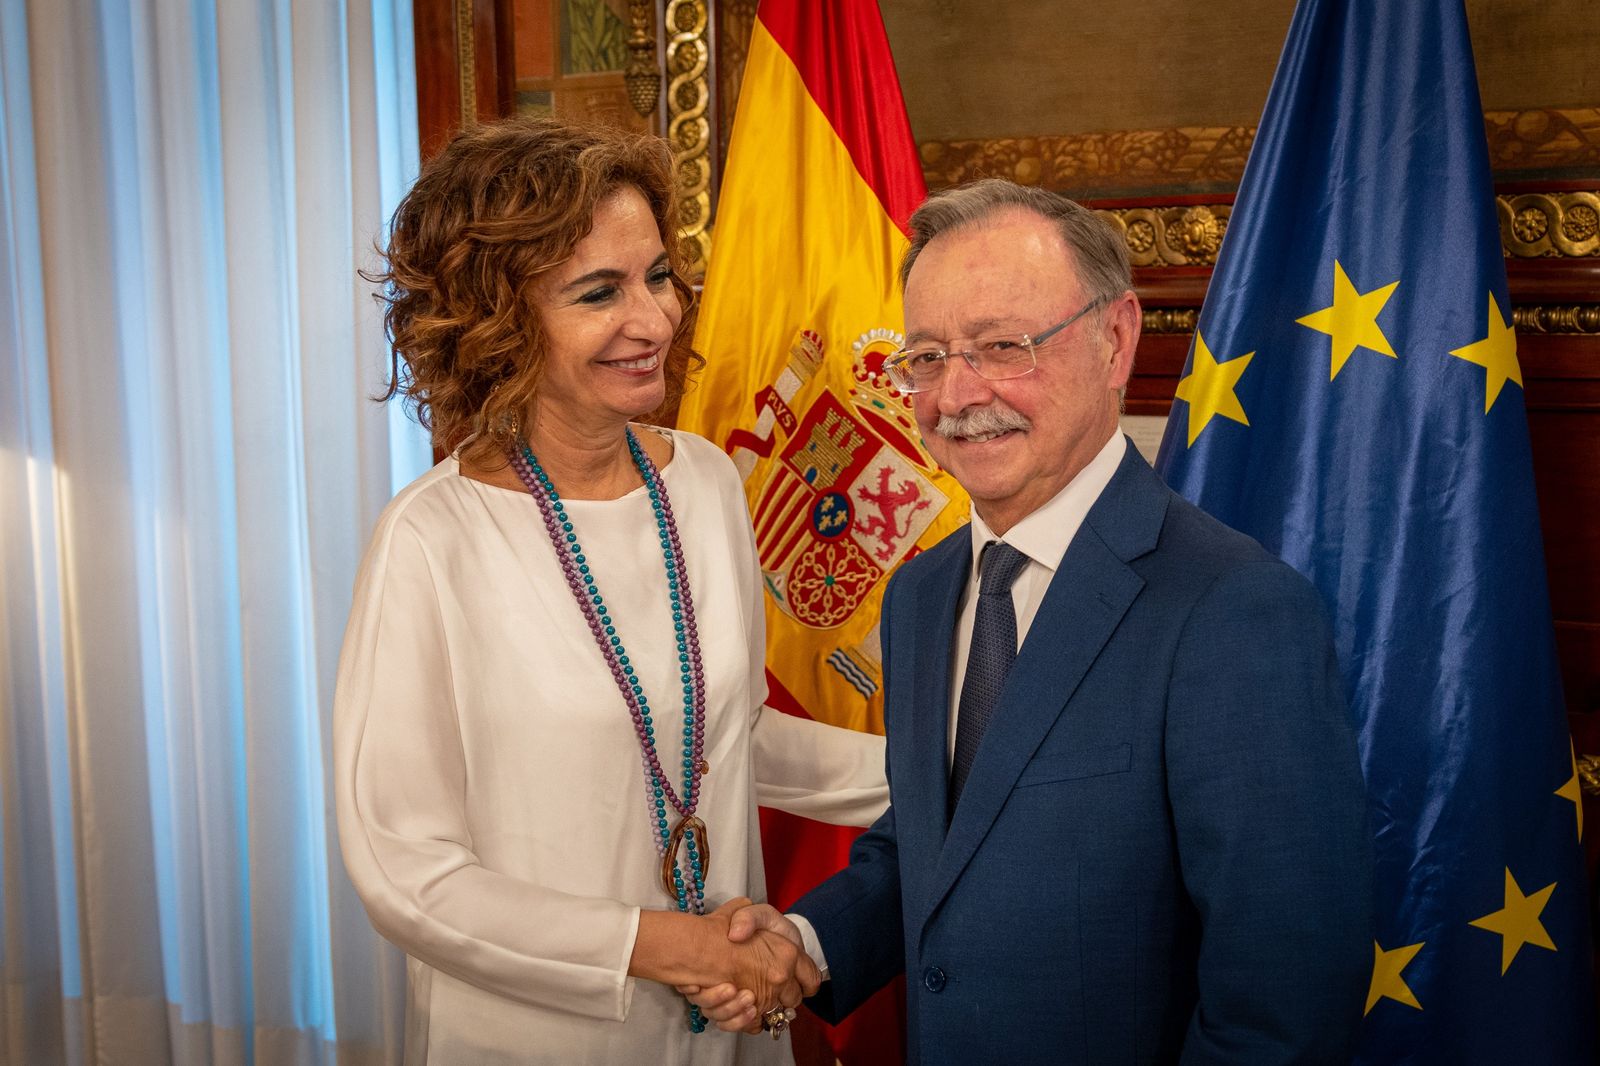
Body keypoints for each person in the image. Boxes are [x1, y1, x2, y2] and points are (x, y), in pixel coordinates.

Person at [689, 179, 1374, 1062]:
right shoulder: (921, 594)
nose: (957, 393)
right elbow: (944, 842)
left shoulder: (1234, 610)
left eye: (1003, 346)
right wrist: (806, 945)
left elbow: (1285, 1002)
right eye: (927, 356)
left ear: (1116, 338)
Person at [333, 117, 888, 1065]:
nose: (657, 319)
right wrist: (668, 945)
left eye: (658, 276)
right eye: (601, 292)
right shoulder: (430, 538)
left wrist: (958, 764)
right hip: (539, 1038)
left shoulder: (707, 480)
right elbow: (406, 872)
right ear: (498, 318)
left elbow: (729, 735)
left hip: (730, 1016)